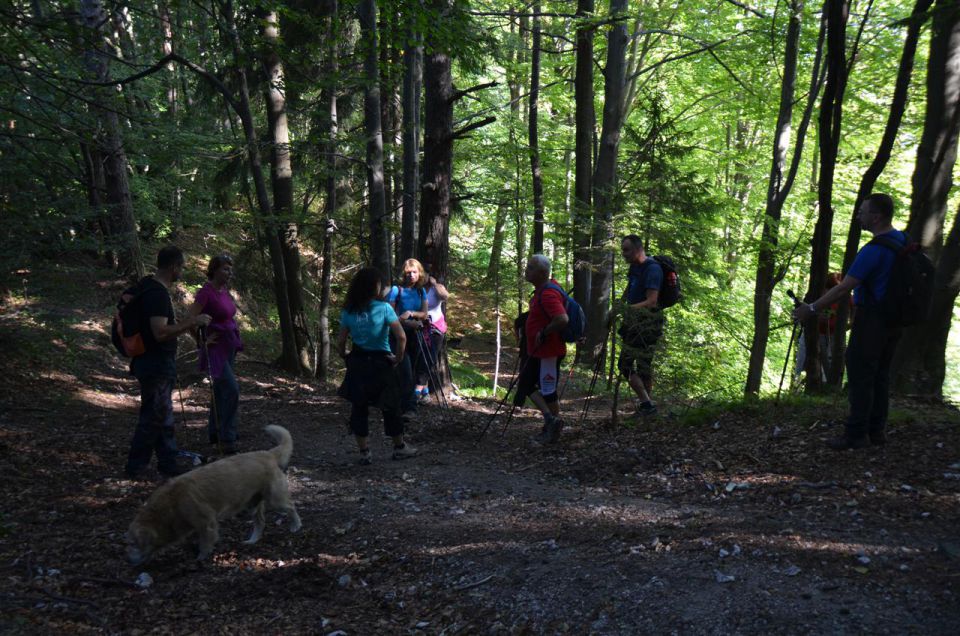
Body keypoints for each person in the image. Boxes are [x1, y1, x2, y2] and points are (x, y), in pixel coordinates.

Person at [793, 193, 906, 450]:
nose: (858, 216)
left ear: (876, 217)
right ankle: (876, 431)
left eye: (862, 212)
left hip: (871, 321)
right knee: (880, 375)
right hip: (895, 321)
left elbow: (844, 288)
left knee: (860, 376)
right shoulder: (902, 241)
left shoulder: (873, 250)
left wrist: (811, 308)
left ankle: (856, 435)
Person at [125, 246, 211, 479]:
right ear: (174, 267)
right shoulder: (157, 294)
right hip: (155, 365)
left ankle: (168, 463)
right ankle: (136, 468)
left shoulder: (148, 288)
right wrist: (193, 321)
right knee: (152, 417)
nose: (181, 272)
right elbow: (160, 333)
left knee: (162, 415)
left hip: (152, 363)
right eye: (181, 267)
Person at [338, 267, 418, 464]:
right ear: (373, 287)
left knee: (359, 407)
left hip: (358, 361)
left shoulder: (349, 310)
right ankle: (399, 448)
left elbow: (340, 342)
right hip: (381, 362)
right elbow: (401, 337)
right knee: (391, 406)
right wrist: (398, 358)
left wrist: (345, 356)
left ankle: (364, 453)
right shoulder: (384, 309)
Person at [188, 254, 243, 455]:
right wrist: (201, 341)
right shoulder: (206, 292)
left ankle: (215, 432)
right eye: (225, 269)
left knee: (220, 391)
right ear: (214, 270)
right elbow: (191, 319)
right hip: (215, 349)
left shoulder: (224, 291)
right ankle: (227, 437)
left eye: (230, 269)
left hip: (228, 346)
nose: (229, 273)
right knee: (231, 389)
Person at [515, 254, 568, 443]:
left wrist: (544, 332)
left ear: (543, 273)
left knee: (548, 390)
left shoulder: (548, 293)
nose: (526, 270)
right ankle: (551, 420)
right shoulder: (541, 290)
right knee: (527, 384)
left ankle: (553, 427)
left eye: (530, 268)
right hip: (537, 351)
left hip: (549, 352)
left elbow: (562, 319)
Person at [618, 235, 665, 417]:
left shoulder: (652, 269)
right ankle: (647, 404)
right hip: (633, 323)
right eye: (623, 250)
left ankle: (647, 405)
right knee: (628, 365)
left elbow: (652, 301)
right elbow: (629, 288)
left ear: (638, 249)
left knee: (633, 364)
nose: (624, 254)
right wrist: (620, 306)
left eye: (626, 250)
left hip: (648, 324)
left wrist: (626, 309)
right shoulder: (635, 268)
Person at [385, 259, 429, 417]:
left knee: (412, 370)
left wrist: (411, 313)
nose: (411, 275)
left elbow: (424, 314)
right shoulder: (396, 290)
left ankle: (400, 404)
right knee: (405, 371)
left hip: (415, 336)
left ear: (419, 273)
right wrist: (408, 323)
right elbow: (389, 315)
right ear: (404, 274)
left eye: (414, 272)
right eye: (408, 272)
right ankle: (409, 408)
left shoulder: (420, 291)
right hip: (397, 335)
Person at [419, 270, 450, 401]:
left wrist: (435, 284)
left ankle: (417, 392)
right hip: (419, 327)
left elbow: (445, 296)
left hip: (435, 329)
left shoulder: (436, 288)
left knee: (429, 359)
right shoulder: (417, 290)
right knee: (420, 360)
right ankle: (425, 393)